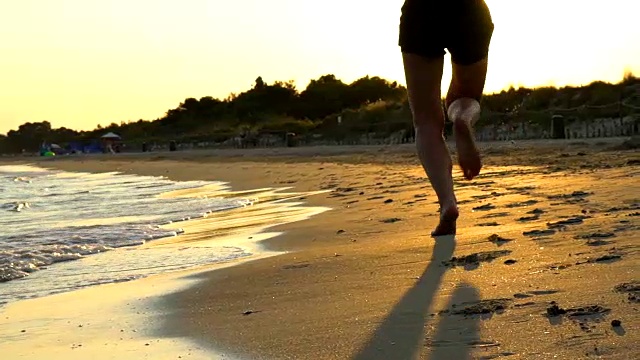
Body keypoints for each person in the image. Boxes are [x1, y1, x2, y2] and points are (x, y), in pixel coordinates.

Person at [399, 0, 494, 237]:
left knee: (426, 122)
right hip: (469, 9)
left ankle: (447, 202)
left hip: (420, 12)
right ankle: (462, 119)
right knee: (464, 97)